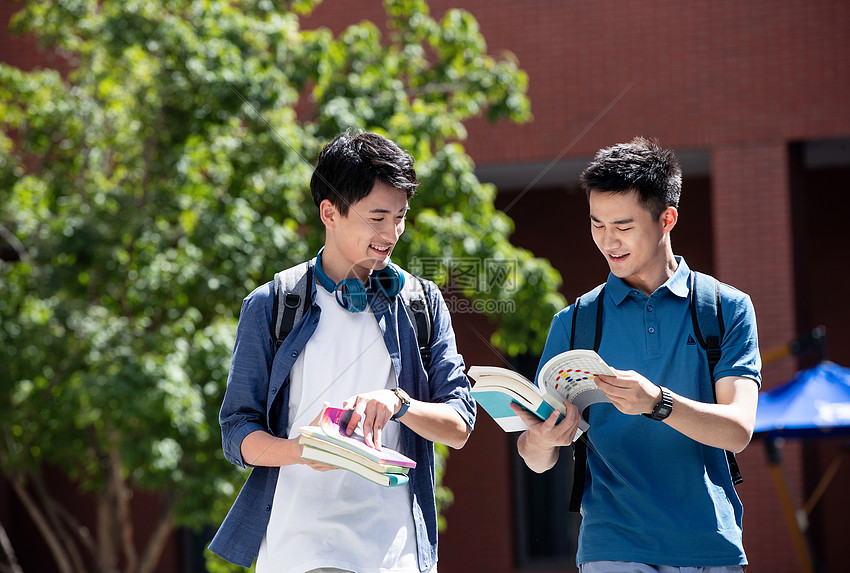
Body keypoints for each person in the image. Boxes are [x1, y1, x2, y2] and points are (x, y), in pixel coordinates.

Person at [209, 129, 476, 573]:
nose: (391, 234)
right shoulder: (272, 304)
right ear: (329, 213)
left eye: (401, 217)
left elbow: (460, 426)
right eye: (377, 218)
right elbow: (238, 434)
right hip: (302, 548)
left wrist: (399, 403)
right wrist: (304, 450)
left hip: (396, 554)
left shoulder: (423, 302)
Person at [513, 137, 761, 573]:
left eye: (623, 226)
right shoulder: (573, 324)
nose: (608, 241)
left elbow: (738, 430)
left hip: (711, 545)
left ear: (667, 219)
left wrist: (657, 403)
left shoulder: (724, 308)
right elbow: (536, 458)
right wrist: (541, 439)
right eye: (596, 224)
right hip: (612, 545)